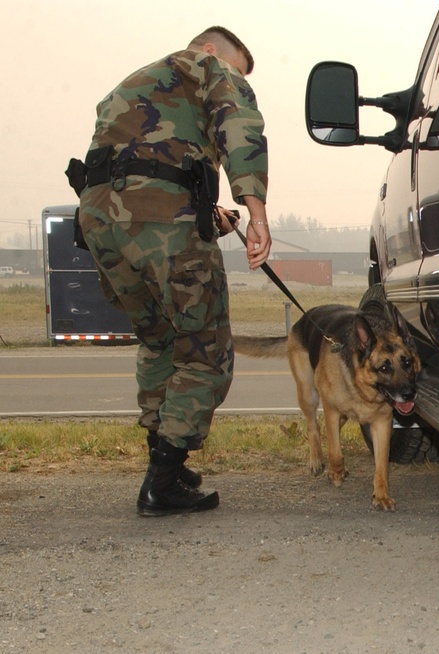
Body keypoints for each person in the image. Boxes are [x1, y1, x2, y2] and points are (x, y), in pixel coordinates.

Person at [75, 26, 272, 516]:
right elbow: (239, 126)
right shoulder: (208, 66)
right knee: (205, 352)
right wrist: (258, 216)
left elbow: (140, 170)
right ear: (211, 51)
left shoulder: (131, 83)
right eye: (237, 69)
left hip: (100, 221)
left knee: (160, 339)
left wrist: (207, 215)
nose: (235, 77)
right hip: (159, 220)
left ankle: (164, 462)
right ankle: (162, 484)